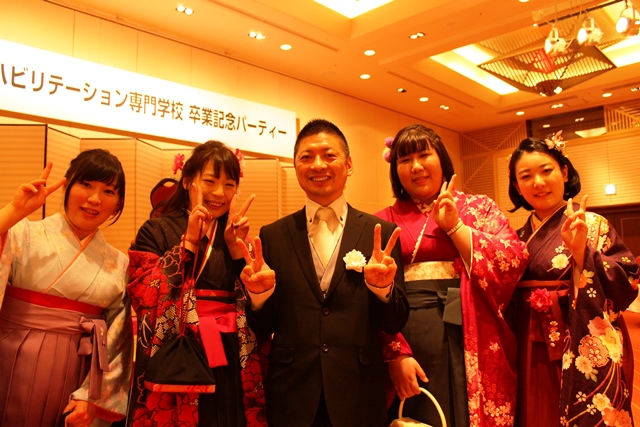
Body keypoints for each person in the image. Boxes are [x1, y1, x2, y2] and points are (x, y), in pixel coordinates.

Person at [237, 118, 409, 427]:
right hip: (293, 393)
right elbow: (263, 326)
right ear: (296, 166)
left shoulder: (380, 233)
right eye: (306, 157)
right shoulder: (273, 236)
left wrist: (382, 291)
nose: (318, 165)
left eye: (329, 155)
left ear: (349, 164)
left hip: (358, 391)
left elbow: (394, 321)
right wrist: (260, 298)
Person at [377, 124, 528, 427]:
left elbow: (513, 258)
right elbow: (372, 297)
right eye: (405, 160)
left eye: (424, 155)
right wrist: (396, 355)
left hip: (470, 330)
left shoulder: (479, 208)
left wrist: (456, 228)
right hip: (408, 333)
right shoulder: (382, 221)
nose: (416, 166)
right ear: (395, 170)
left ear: (442, 159)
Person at [126, 140, 268, 427]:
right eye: (210, 181)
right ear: (187, 180)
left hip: (230, 348)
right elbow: (143, 293)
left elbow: (254, 302)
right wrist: (189, 242)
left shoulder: (233, 232)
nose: (219, 193)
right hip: (180, 347)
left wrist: (236, 249)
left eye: (229, 185)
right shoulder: (156, 229)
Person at [507, 134, 639, 426]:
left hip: (577, 334)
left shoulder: (593, 224)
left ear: (564, 172)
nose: (538, 183)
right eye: (526, 176)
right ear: (517, 186)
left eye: (546, 170)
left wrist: (582, 252)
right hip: (528, 339)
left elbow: (627, 280)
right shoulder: (516, 237)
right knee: (535, 411)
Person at [0, 150, 132, 427]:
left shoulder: (119, 263)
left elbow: (118, 339)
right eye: (86, 184)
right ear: (66, 185)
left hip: (82, 373)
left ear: (118, 204)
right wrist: (13, 213)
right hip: (11, 359)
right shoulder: (21, 234)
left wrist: (93, 396)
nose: (94, 199)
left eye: (108, 191)